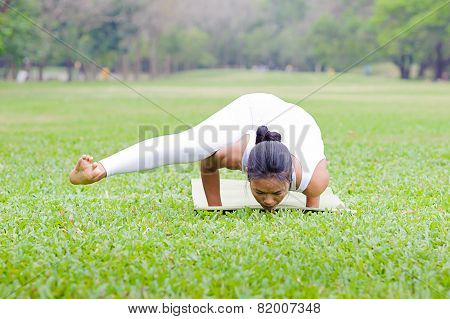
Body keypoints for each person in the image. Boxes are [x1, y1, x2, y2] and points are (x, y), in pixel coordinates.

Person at [69, 93, 329, 210]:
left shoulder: (314, 180)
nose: (269, 201)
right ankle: (100, 169)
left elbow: (312, 209)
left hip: (299, 119)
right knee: (194, 145)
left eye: (277, 193)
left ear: (290, 183)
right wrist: (215, 207)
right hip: (253, 107)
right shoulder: (236, 156)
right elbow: (208, 163)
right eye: (260, 192)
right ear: (247, 172)